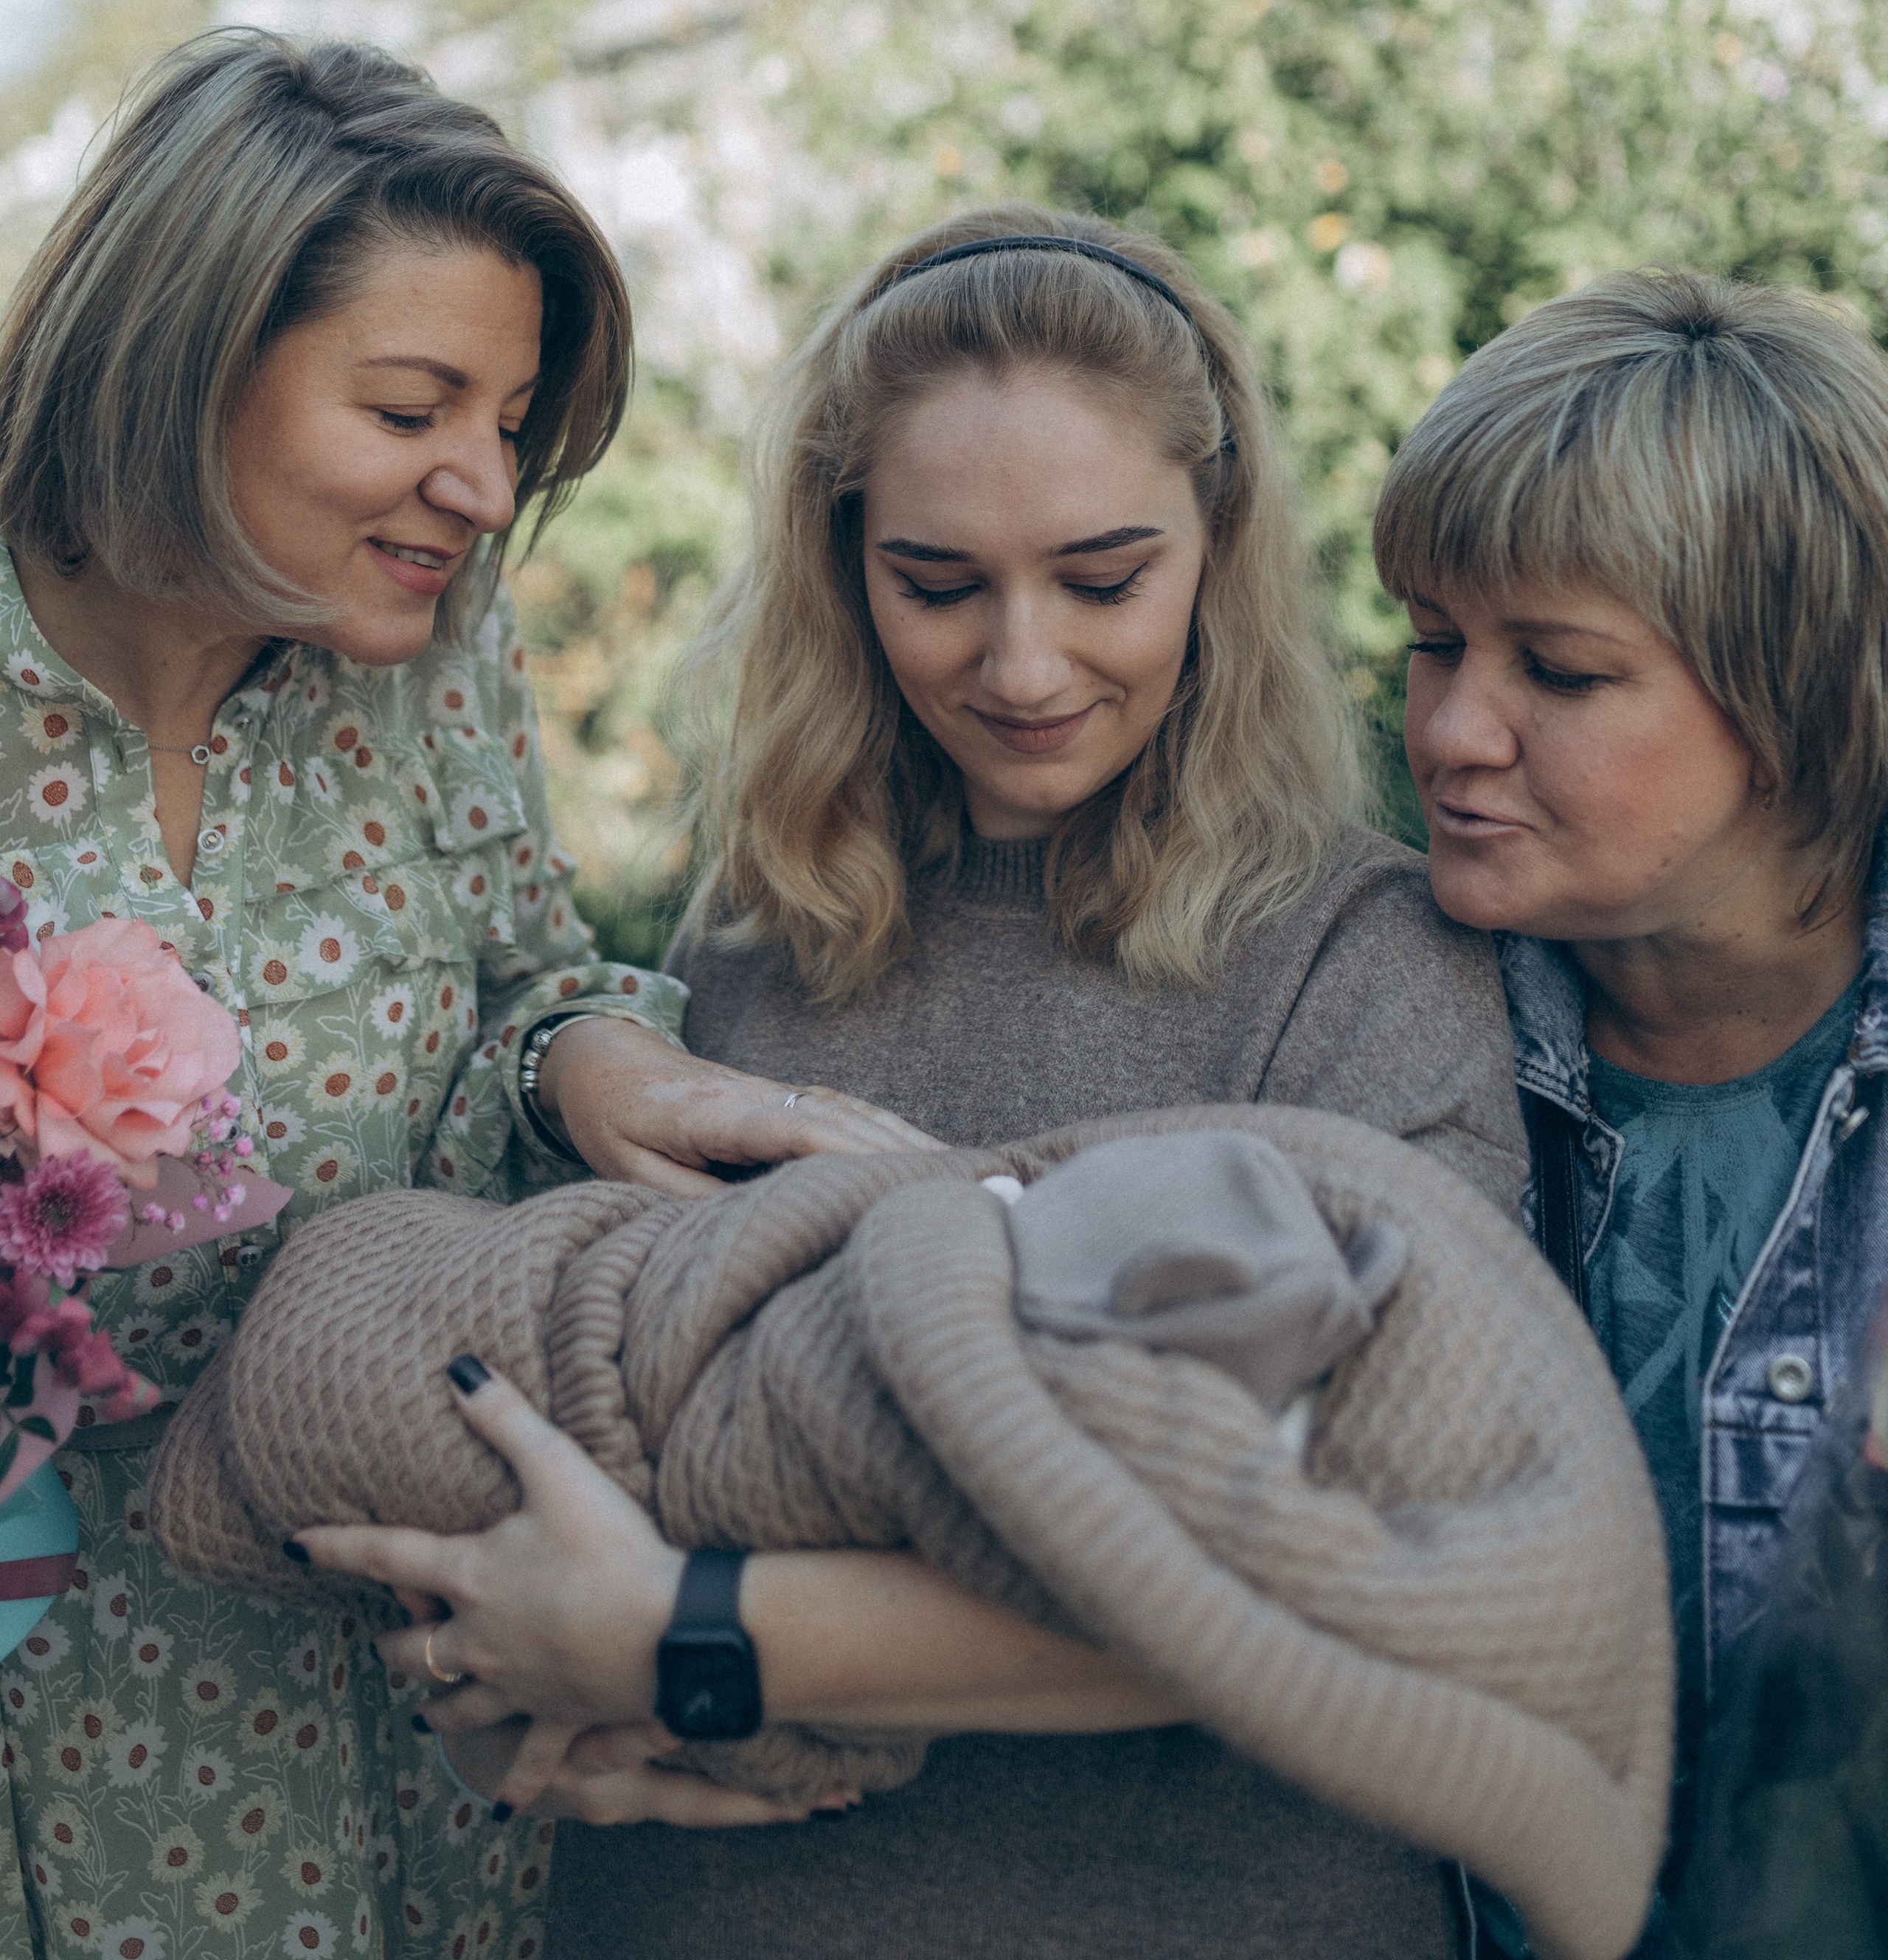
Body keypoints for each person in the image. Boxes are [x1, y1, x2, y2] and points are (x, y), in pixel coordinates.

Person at [302, 208, 1529, 1960]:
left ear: (1222, 544)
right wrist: (503, 1690)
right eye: (935, 587)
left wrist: (688, 1632)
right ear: (840, 561)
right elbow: (598, 1438)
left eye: (1103, 582)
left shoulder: (1371, 967)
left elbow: (1371, 1571)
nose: (1020, 668)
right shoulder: (741, 957)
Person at [0, 30, 932, 1960]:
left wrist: (599, 1057)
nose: (485, 490)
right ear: (185, 360)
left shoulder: (416, 657)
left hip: (431, 1720)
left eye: (509, 422)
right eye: (416, 404)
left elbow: (520, 969)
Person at [1371, 268, 1888, 1949]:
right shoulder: (1356, 1039)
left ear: (1792, 693)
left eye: (1560, 673)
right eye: (1432, 644)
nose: (1450, 730)